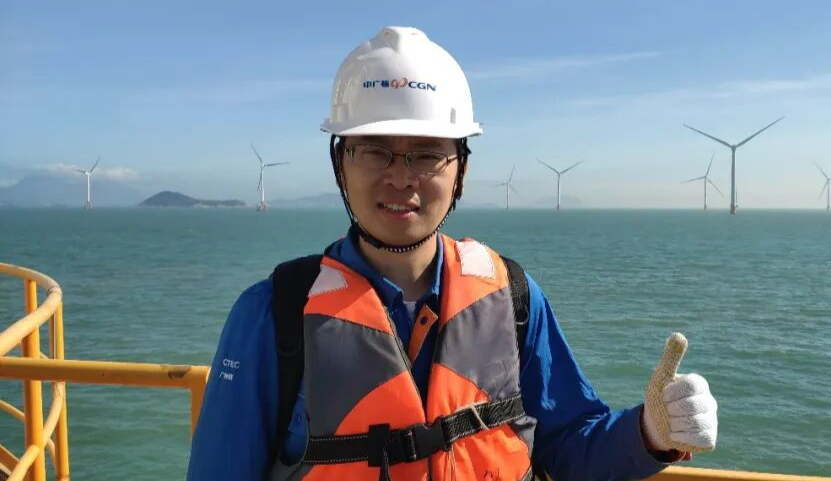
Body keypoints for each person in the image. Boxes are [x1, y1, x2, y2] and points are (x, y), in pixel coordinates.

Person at [186, 26, 718, 481]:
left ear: (461, 168)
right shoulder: (274, 314)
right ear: (340, 162)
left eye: (427, 154)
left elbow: (569, 446)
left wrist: (648, 433)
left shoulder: (513, 298)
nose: (401, 178)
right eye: (374, 150)